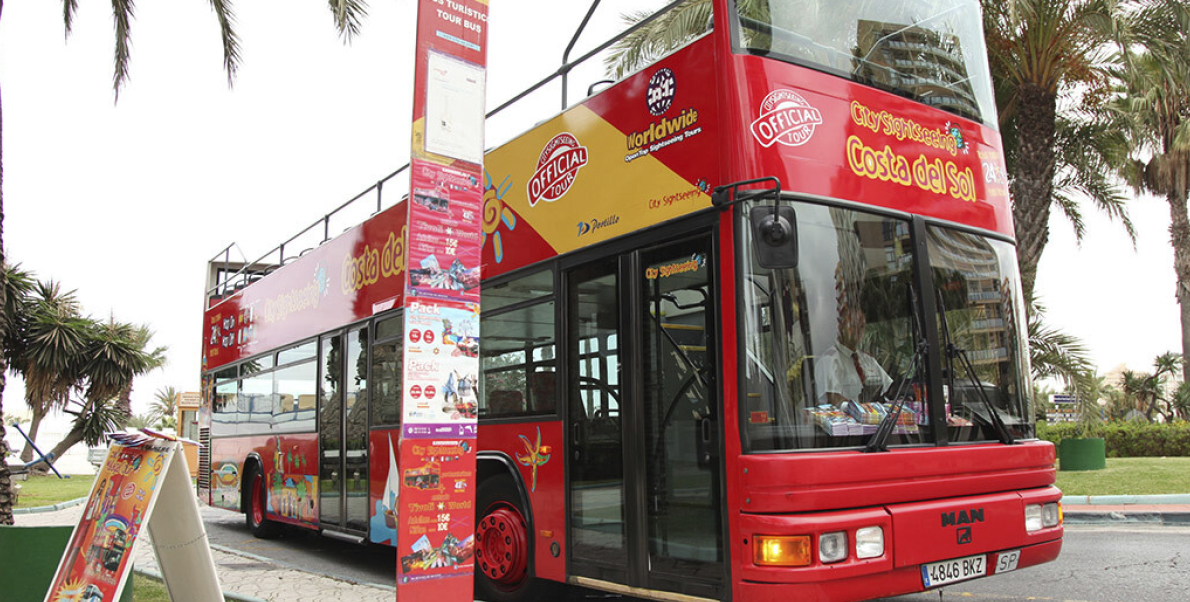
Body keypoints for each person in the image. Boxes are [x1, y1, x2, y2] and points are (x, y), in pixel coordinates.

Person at [814, 302, 892, 406]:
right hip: (848, 421)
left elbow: (890, 391)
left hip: (878, 420)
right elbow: (835, 401)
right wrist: (863, 411)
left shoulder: (867, 360)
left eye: (862, 326)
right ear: (841, 327)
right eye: (854, 325)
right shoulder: (829, 361)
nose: (859, 331)